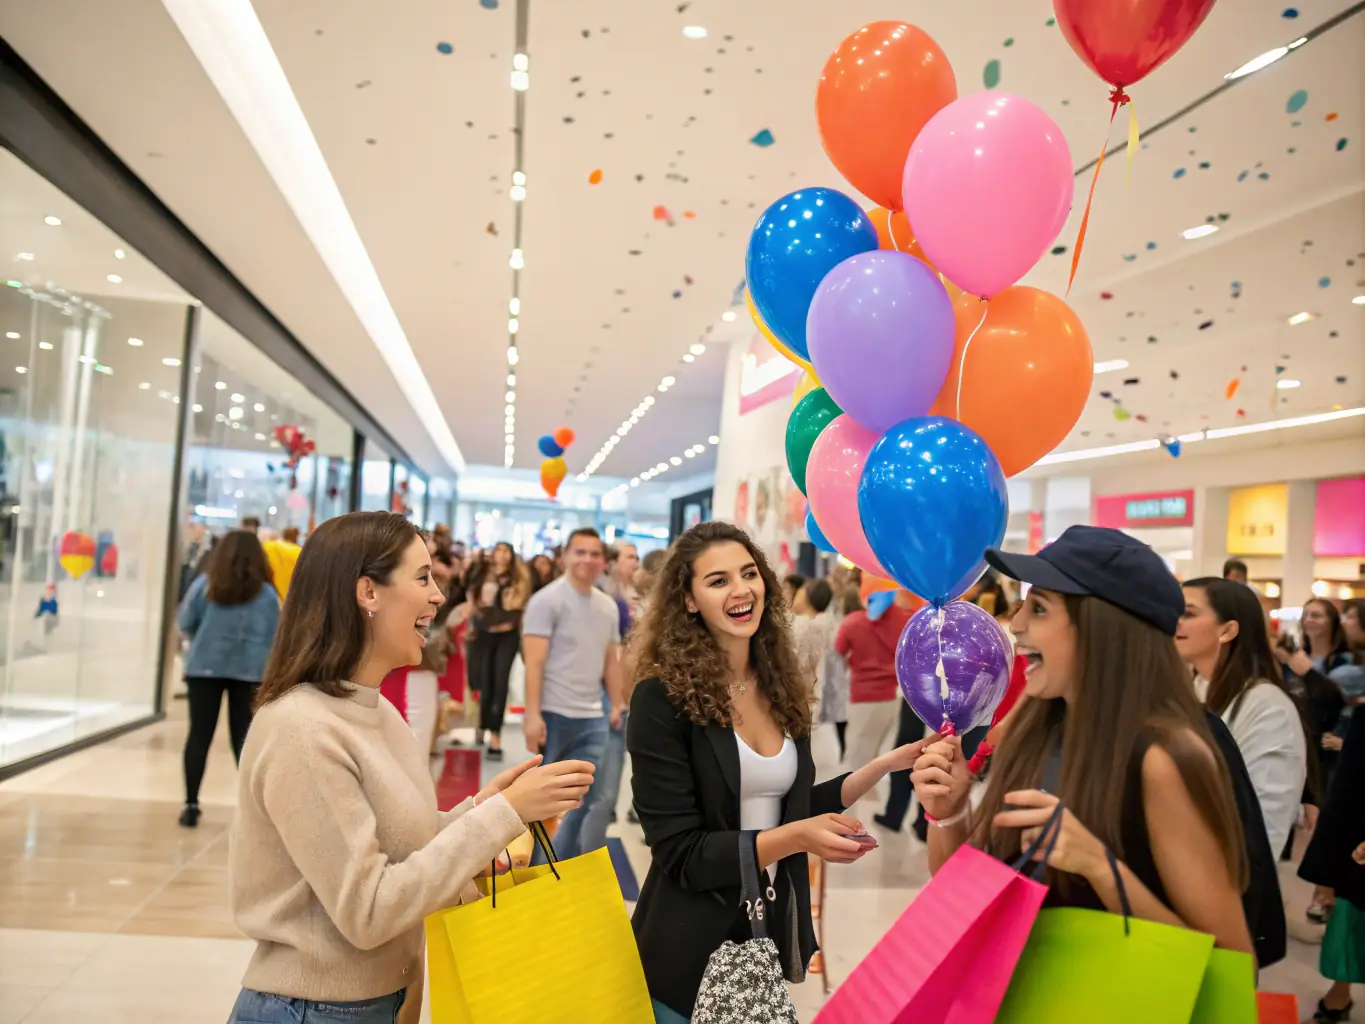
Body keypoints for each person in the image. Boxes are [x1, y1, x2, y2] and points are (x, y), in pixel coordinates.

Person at [226, 512, 594, 1024]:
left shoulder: (375, 710)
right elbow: (368, 911)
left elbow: (402, 844)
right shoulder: (303, 730)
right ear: (367, 593)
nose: (439, 596)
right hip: (313, 1008)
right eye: (422, 578)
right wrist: (501, 816)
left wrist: (483, 808)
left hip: (377, 1002)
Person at [627, 522, 922, 1021]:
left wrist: (884, 766)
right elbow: (680, 850)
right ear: (690, 600)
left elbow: (795, 804)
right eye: (718, 581)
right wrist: (797, 838)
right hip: (685, 942)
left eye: (749, 573)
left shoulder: (779, 685)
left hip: (761, 928)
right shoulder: (661, 698)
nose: (742, 589)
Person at [913, 526, 1254, 957]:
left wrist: (1100, 866)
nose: (1015, 626)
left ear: (1102, 629)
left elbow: (1232, 960)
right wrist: (950, 813)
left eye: (1039, 610)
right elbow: (961, 895)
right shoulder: (1034, 730)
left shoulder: (1163, 759)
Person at [1176, 578, 1310, 858]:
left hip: (1230, 874)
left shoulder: (1268, 707)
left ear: (1228, 630)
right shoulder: (1191, 687)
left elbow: (1264, 824)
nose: (1174, 620)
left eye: (1187, 613)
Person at [521, 527, 627, 859]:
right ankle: (536, 875)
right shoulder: (546, 601)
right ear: (565, 556)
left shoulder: (608, 606)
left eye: (595, 553)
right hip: (554, 715)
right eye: (580, 552)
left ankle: (560, 872)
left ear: (603, 561)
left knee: (584, 800)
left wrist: (617, 701)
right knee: (545, 803)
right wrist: (532, 714)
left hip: (593, 717)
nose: (588, 559)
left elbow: (611, 660)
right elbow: (534, 664)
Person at [176, 529, 280, 828]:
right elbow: (277, 634)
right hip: (250, 673)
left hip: (203, 669)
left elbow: (185, 623)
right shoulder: (267, 594)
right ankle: (252, 811)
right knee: (245, 741)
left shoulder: (204, 586)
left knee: (199, 736)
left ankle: (191, 805)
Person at [1301, 703, 1365, 1022]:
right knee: (1352, 920)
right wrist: (1323, 876)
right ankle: (1339, 994)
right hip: (1358, 851)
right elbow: (1346, 796)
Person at [835, 588, 917, 790]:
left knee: (856, 756)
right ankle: (868, 797)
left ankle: (850, 809)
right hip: (892, 696)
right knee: (875, 751)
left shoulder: (853, 622)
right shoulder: (904, 620)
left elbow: (838, 650)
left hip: (863, 695)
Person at [465, 541, 530, 760]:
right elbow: (472, 596)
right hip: (484, 633)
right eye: (498, 550)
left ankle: (496, 734)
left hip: (507, 634)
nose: (501, 555)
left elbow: (517, 606)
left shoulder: (518, 578)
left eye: (505, 551)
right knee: (483, 681)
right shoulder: (483, 574)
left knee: (500, 682)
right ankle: (482, 725)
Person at [820, 588, 859, 761]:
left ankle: (845, 751)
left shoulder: (845, 625)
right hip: (857, 679)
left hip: (844, 677)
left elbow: (838, 650)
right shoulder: (867, 621)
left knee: (842, 718)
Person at [262, 526, 302, 601]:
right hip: (293, 596)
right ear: (296, 537)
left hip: (273, 594)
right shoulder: (299, 551)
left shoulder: (269, 546)